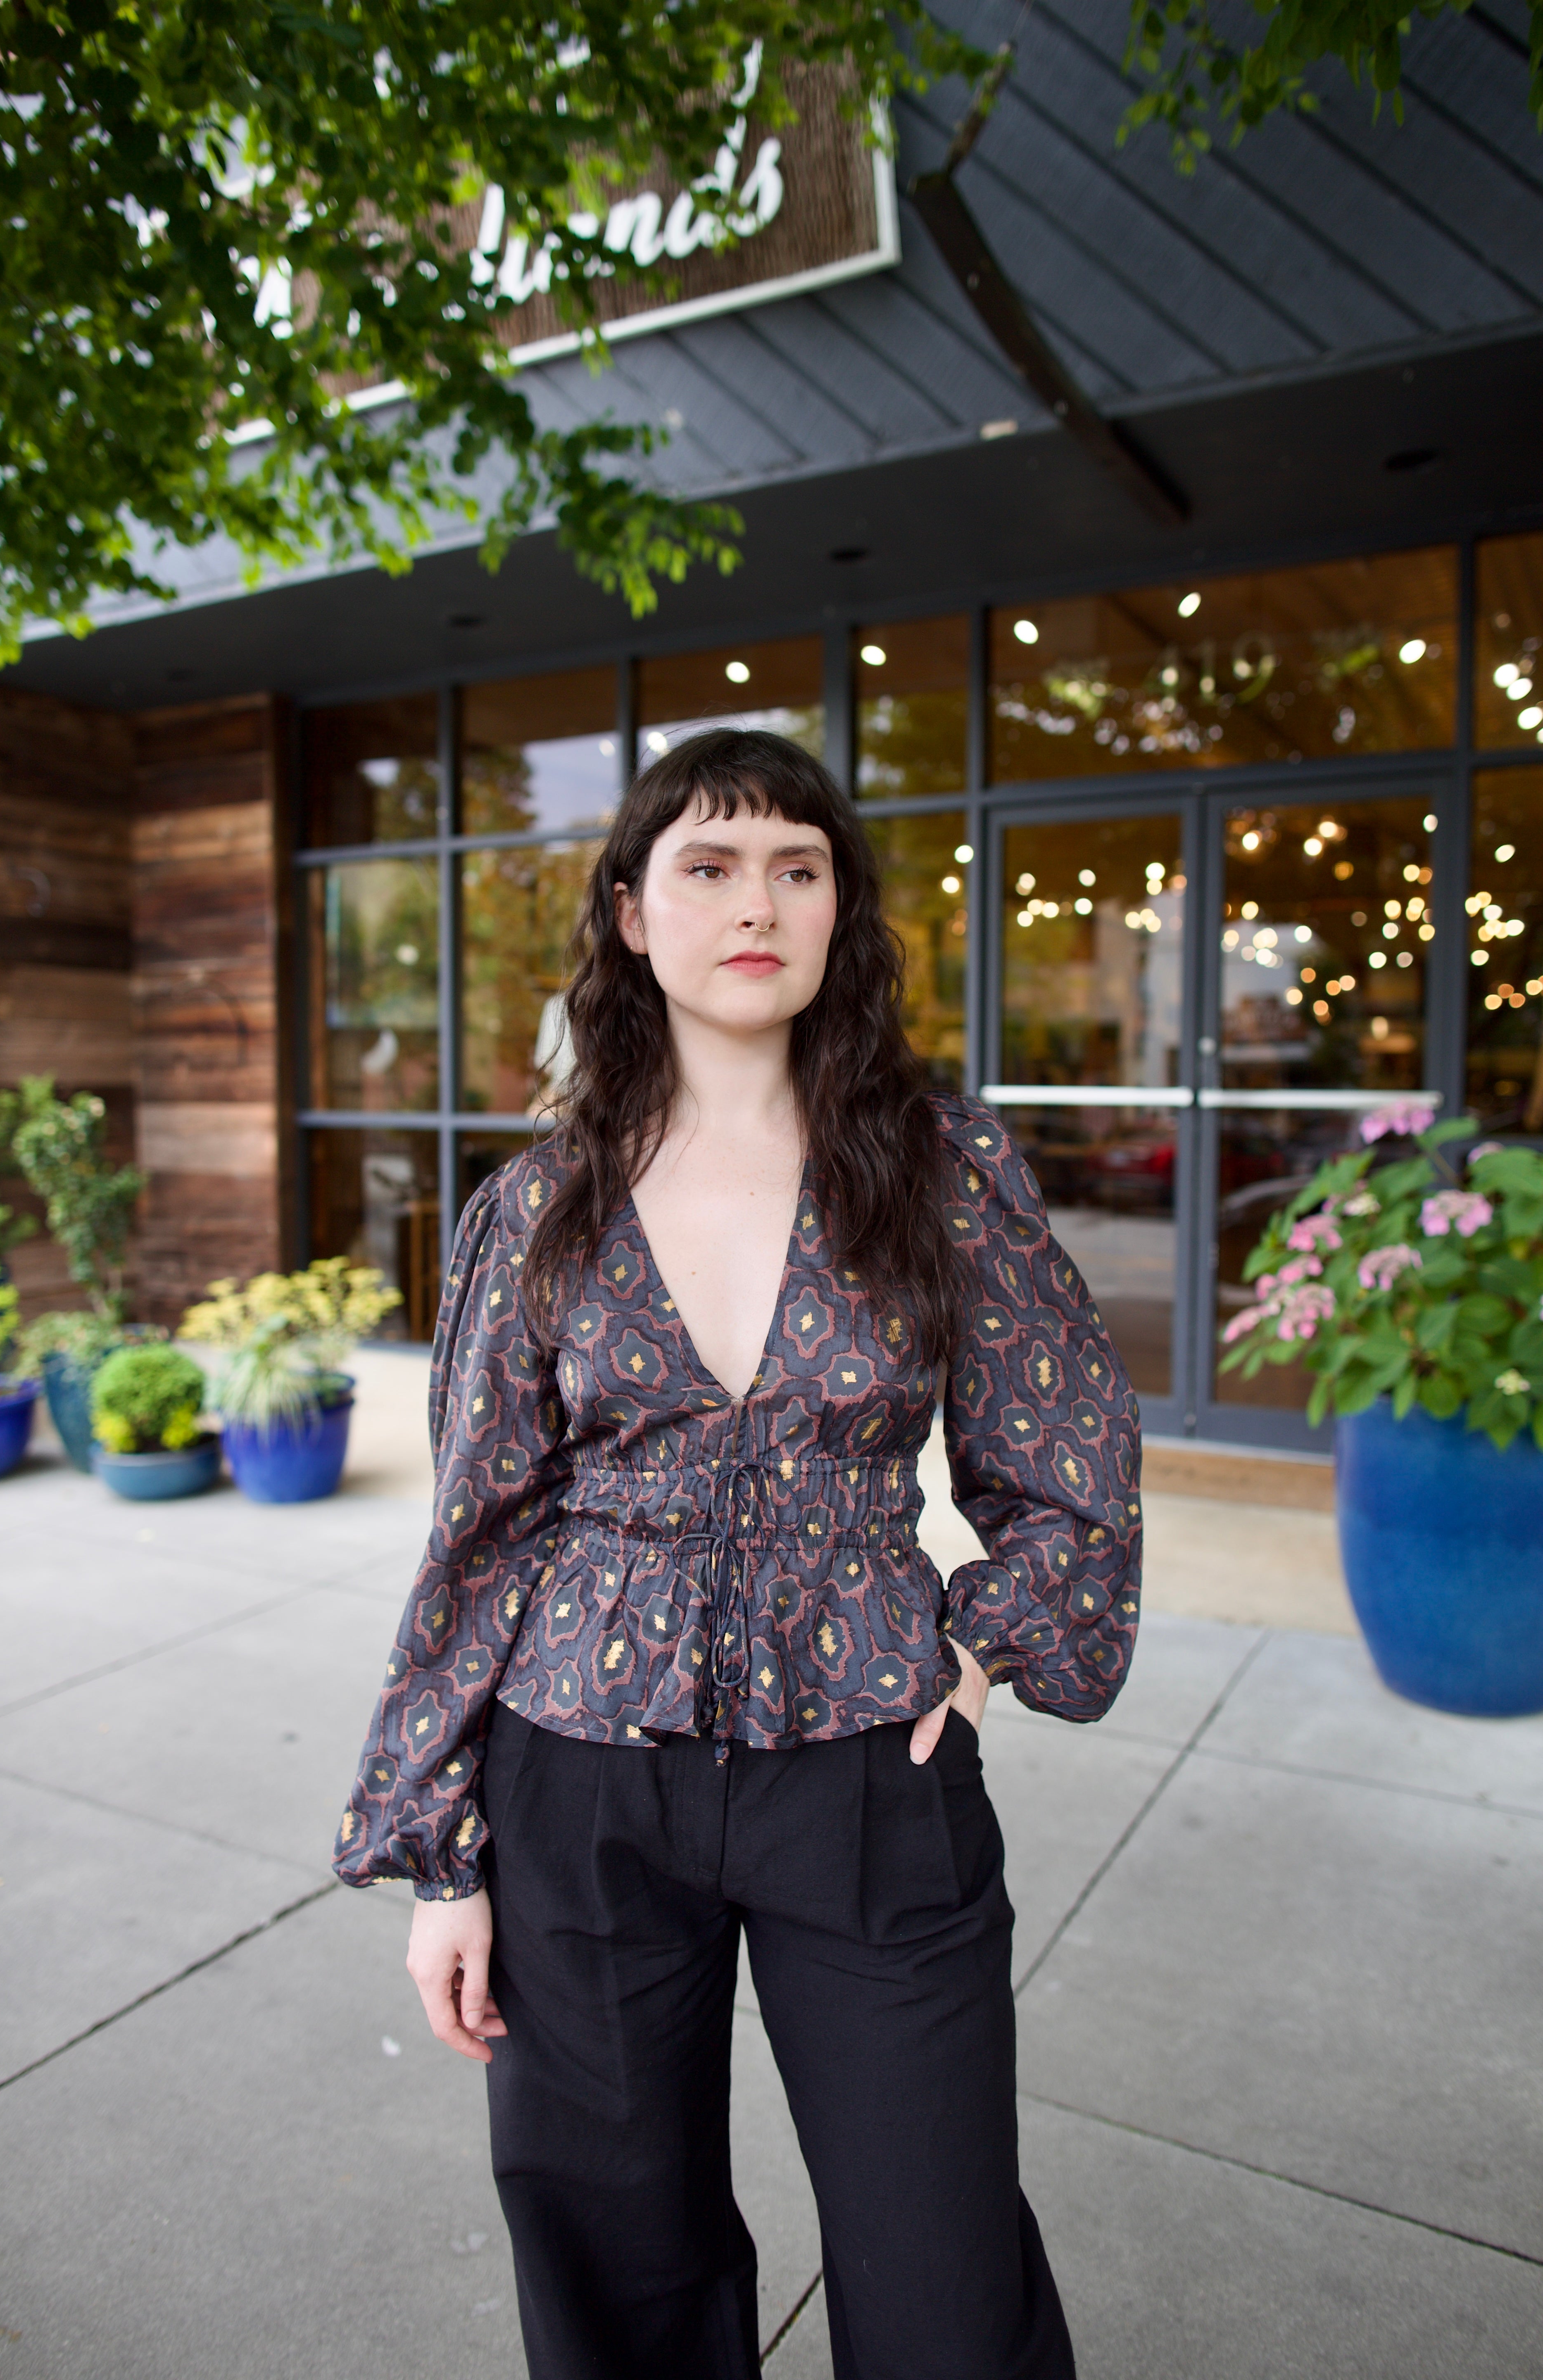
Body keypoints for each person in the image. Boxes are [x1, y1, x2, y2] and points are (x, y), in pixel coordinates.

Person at [334, 729, 1141, 2380]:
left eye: (796, 865)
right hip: (578, 1781)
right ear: (633, 915)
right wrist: (448, 1856)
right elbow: (481, 1536)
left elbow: (1067, 1458)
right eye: (705, 866)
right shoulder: (539, 1204)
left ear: (841, 909)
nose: (754, 902)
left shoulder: (938, 1167)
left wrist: (985, 1658)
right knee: (615, 2260)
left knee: (942, 2274)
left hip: (870, 1771)